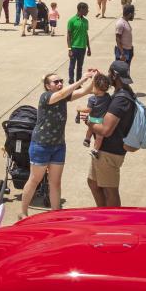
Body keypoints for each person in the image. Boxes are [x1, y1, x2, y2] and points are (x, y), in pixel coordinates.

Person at [19, 70, 94, 219]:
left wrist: (93, 77)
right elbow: (60, 94)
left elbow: (86, 90)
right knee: (35, 180)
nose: (60, 84)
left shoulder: (64, 96)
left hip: (58, 146)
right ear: (48, 86)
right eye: (56, 82)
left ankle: (55, 214)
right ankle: (23, 212)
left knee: (56, 182)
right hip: (41, 145)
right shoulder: (46, 97)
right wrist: (81, 80)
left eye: (61, 81)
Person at [85, 60, 137, 208]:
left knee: (110, 190)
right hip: (104, 151)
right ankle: (102, 215)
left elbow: (106, 130)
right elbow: (104, 85)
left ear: (114, 75)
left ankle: (114, 222)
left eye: (109, 73)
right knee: (93, 183)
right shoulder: (124, 91)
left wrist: (89, 122)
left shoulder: (121, 99)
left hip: (110, 152)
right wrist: (97, 76)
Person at [82, 73, 112, 151]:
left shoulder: (92, 99)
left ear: (96, 88)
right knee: (99, 137)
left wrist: (79, 109)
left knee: (90, 129)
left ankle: (87, 139)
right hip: (102, 121)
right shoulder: (107, 97)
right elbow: (101, 87)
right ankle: (95, 150)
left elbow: (88, 110)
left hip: (92, 119)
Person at [66, 2, 92, 83]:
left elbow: (86, 34)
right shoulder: (72, 21)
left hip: (83, 48)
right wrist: (69, 49)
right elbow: (68, 36)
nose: (88, 11)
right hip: (74, 47)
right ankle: (71, 80)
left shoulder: (86, 21)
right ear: (81, 9)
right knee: (72, 66)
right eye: (86, 9)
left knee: (80, 67)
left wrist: (89, 48)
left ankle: (78, 82)